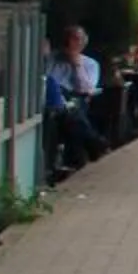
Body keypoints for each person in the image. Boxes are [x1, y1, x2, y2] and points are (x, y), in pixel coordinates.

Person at [46, 26, 108, 178]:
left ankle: (76, 160)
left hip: (76, 98)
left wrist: (76, 64)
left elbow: (87, 89)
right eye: (70, 39)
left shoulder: (90, 64)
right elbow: (46, 80)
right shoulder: (53, 59)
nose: (73, 43)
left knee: (72, 115)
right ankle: (94, 142)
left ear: (83, 43)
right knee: (70, 117)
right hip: (54, 98)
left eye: (77, 39)